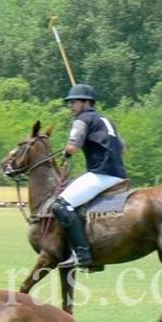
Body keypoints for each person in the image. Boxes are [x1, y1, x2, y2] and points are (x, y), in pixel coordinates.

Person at [55, 83, 127, 269]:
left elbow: (72, 147)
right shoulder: (107, 120)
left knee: (61, 205)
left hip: (101, 174)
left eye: (74, 102)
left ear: (86, 103)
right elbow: (123, 149)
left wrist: (65, 153)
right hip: (118, 174)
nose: (70, 106)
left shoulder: (82, 119)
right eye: (69, 102)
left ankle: (82, 254)